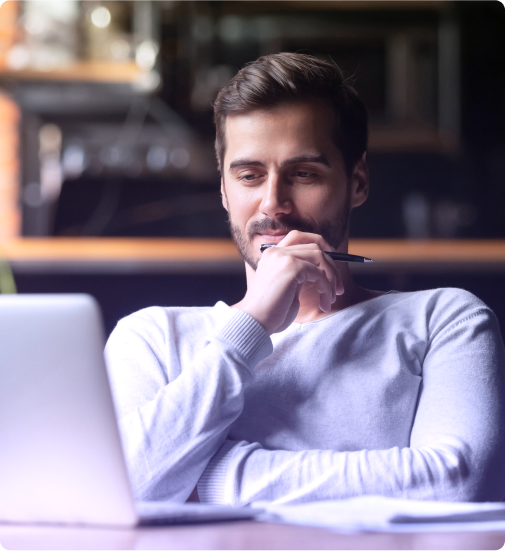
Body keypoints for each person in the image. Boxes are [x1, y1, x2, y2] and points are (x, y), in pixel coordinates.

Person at [105, 52, 505, 506]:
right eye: (250, 176)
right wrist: (252, 325)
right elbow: (122, 490)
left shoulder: (444, 319)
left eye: (303, 174)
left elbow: (454, 482)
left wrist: (210, 477)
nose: (273, 203)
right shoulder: (152, 337)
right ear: (223, 190)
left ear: (357, 182)